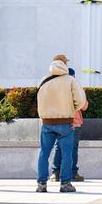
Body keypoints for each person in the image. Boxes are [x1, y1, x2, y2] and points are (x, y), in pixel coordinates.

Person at [36, 54, 88, 193]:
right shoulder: (70, 80)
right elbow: (81, 101)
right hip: (65, 122)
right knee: (67, 154)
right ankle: (65, 184)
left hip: (47, 122)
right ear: (65, 64)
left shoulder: (43, 81)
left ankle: (41, 184)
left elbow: (39, 102)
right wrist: (72, 110)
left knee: (44, 153)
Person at [50, 66, 86, 182]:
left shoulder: (57, 89)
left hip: (60, 122)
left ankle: (55, 173)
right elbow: (84, 106)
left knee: (58, 147)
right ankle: (73, 173)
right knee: (72, 149)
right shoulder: (76, 89)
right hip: (74, 123)